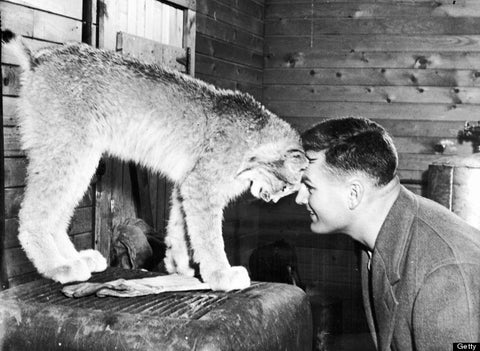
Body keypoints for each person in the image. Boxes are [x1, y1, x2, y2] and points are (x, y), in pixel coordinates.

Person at [295, 116, 480, 351]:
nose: (299, 198)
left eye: (309, 187)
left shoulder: (444, 274)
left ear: (354, 194)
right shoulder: (375, 237)